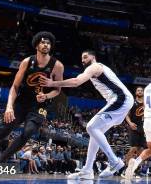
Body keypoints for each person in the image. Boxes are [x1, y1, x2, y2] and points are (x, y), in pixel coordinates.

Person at [40, 50, 133, 179]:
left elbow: (76, 82)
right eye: (81, 58)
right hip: (120, 101)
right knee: (94, 133)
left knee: (91, 127)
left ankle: (114, 161)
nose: (83, 60)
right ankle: (88, 170)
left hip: (121, 99)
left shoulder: (94, 67)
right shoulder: (96, 70)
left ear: (93, 57)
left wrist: (53, 83)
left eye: (85, 57)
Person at [0, 31, 64, 164]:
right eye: (43, 42)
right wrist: (9, 107)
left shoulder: (57, 66)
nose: (46, 45)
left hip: (40, 105)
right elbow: (15, 87)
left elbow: (57, 90)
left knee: (28, 132)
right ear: (36, 45)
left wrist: (46, 96)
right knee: (5, 129)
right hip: (22, 101)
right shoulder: (27, 62)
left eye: (48, 43)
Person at [124, 87, 146, 170]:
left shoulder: (146, 103)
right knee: (133, 148)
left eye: (141, 91)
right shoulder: (132, 102)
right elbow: (126, 115)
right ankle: (126, 168)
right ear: (136, 92)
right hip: (134, 127)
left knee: (141, 150)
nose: (140, 92)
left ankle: (137, 169)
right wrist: (130, 123)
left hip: (143, 128)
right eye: (138, 90)